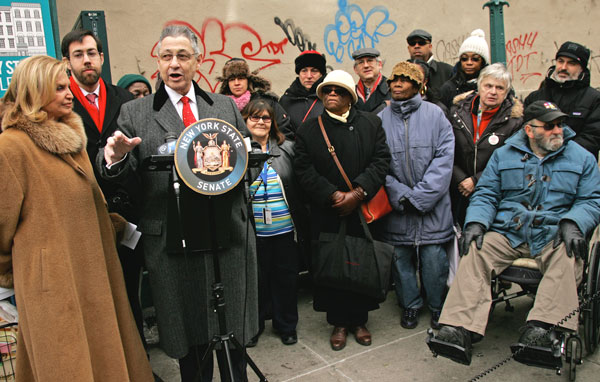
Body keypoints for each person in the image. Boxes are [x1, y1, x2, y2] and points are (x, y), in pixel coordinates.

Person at [98, 25, 257, 382]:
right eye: (166, 56)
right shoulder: (135, 112)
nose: (174, 63)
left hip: (226, 232)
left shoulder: (224, 106)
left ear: (197, 61)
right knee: (190, 335)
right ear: (157, 60)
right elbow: (116, 172)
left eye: (182, 56)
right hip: (173, 238)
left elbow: (244, 158)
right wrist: (114, 158)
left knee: (233, 334)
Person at [0, 55, 153, 381]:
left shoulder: (72, 142)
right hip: (53, 286)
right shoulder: (12, 146)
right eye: (58, 87)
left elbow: (85, 204)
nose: (69, 93)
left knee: (106, 359)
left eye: (67, 84)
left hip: (94, 272)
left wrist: (112, 226)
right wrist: (31, 269)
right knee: (68, 364)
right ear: (34, 89)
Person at [431, 101, 600, 365]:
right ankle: (458, 329)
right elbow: (486, 193)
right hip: (509, 231)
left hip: (552, 232)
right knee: (476, 248)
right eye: (549, 126)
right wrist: (475, 222)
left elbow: (591, 199)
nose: (558, 130)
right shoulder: (504, 154)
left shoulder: (582, 158)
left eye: (560, 124)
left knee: (567, 255)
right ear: (530, 130)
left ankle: (543, 330)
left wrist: (574, 222)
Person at [61, 28, 148, 351]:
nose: (87, 60)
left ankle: (137, 365)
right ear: (66, 61)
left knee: (129, 293)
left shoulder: (124, 99)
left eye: (91, 53)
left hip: (128, 214)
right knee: (93, 298)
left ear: (101, 57)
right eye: (78, 54)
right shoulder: (60, 101)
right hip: (82, 213)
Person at [294, 69, 390, 351]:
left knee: (360, 265)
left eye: (339, 90)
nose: (332, 94)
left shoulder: (371, 124)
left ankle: (360, 321)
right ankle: (338, 323)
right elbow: (303, 168)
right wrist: (333, 195)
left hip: (361, 208)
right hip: (329, 211)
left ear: (350, 96)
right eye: (327, 90)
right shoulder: (309, 129)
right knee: (333, 266)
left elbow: (381, 160)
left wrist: (358, 192)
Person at [376, 62, 454, 330]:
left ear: (419, 85)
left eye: (404, 79)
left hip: (432, 208)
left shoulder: (436, 115)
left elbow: (445, 160)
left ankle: (437, 306)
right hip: (397, 208)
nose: (396, 84)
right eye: (393, 79)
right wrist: (400, 195)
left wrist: (420, 197)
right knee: (401, 260)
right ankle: (409, 305)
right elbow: (377, 164)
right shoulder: (381, 119)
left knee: (434, 260)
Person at [243, 99, 309, 347]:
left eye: (266, 118)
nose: (260, 122)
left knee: (286, 279)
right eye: (254, 117)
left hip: (284, 230)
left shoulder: (287, 148)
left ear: (273, 123)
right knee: (256, 281)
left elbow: (301, 184)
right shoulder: (237, 151)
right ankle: (254, 325)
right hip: (254, 231)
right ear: (245, 121)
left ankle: (286, 325)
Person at [449, 63, 523, 227]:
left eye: (500, 88)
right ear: (479, 86)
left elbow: (512, 159)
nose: (493, 92)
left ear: (507, 92)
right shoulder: (456, 112)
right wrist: (460, 178)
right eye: (488, 86)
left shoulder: (514, 121)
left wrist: (476, 180)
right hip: (457, 189)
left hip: (493, 192)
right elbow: (445, 150)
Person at [524, 41, 600, 158]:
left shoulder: (594, 99)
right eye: (560, 61)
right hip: (537, 165)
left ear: (582, 69)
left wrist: (560, 155)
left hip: (576, 166)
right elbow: (523, 133)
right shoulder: (535, 97)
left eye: (571, 63)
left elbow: (593, 138)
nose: (563, 67)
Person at [217, 57, 291, 135]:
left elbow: (285, 133)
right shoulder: (220, 107)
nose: (236, 83)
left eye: (241, 78)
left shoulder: (267, 102)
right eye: (232, 79)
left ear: (248, 80)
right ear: (226, 83)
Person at [279, 50, 326, 137]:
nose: (309, 76)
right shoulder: (286, 99)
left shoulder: (329, 97)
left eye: (314, 71)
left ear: (321, 74)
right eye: (304, 71)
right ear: (299, 74)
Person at [439, 29, 490, 109]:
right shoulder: (449, 88)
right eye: (464, 58)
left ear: (483, 62)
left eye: (475, 59)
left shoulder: (493, 87)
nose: (469, 63)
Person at [351, 47, 390, 114]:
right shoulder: (351, 95)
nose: (366, 65)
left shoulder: (391, 89)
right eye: (361, 62)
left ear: (379, 65)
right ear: (355, 69)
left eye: (370, 61)